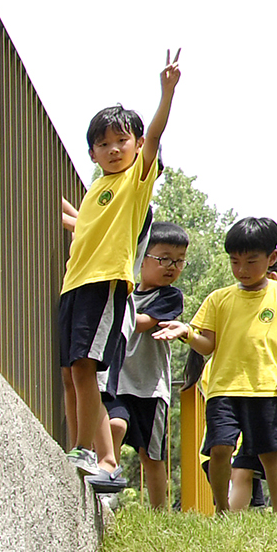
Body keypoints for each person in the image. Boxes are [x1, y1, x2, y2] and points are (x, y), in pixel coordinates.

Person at [56, 51, 181, 494]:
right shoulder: (97, 190)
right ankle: (77, 449)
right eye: (103, 144)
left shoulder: (135, 180)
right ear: (91, 151)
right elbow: (86, 227)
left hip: (105, 284)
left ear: (135, 145)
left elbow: (155, 135)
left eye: (121, 141)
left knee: (87, 368)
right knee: (72, 371)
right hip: (74, 285)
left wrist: (166, 92)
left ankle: (102, 456)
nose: (113, 150)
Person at [157, 220, 277, 517]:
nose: (242, 270)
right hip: (224, 389)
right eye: (235, 262)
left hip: (268, 388)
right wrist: (185, 332)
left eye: (251, 261)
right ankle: (222, 510)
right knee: (220, 449)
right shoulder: (218, 299)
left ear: (271, 258)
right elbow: (206, 345)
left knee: (272, 454)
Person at [101, 221, 189, 509]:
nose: (171, 267)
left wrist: (113, 303)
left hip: (151, 390)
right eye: (163, 258)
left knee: (151, 456)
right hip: (119, 382)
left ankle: (158, 513)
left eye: (178, 261)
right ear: (141, 257)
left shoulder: (169, 297)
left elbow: (141, 324)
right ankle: (107, 489)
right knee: (114, 425)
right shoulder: (126, 293)